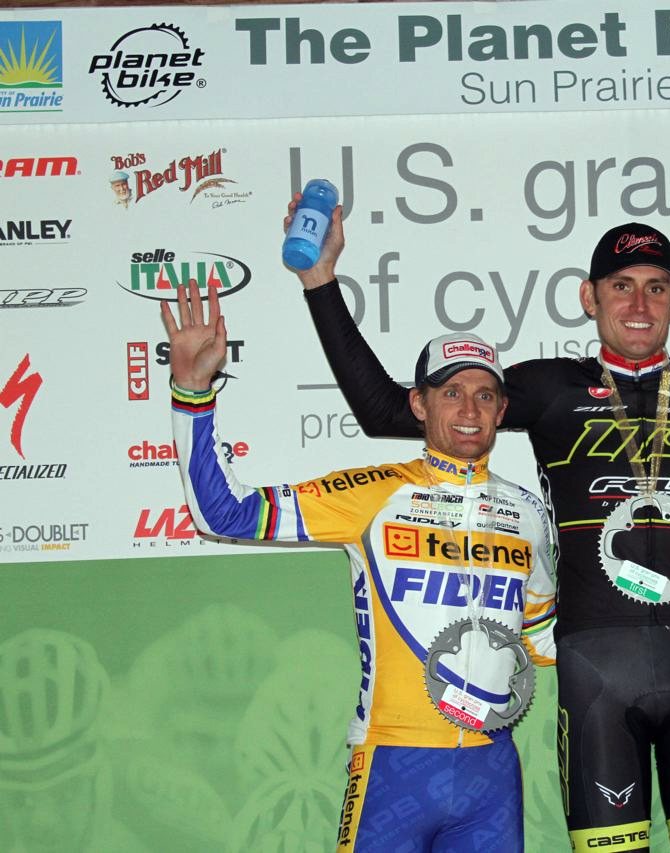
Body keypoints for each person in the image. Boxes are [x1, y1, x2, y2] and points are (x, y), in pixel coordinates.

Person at [292, 208, 670, 849]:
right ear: (588, 297)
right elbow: (385, 409)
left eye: (657, 286)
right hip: (595, 663)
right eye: (621, 285)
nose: (639, 302)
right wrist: (321, 281)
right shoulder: (548, 386)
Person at [162, 284, 557, 852]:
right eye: (451, 393)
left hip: (491, 771)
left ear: (501, 409)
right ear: (419, 404)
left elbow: (541, 633)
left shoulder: (525, 512)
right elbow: (224, 512)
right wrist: (193, 391)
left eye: (485, 395)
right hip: (393, 762)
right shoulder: (373, 493)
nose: (469, 411)